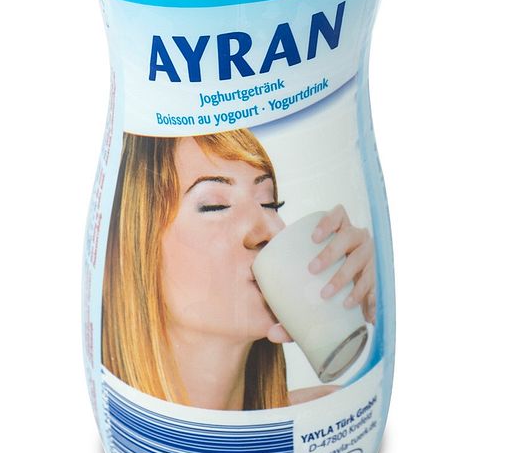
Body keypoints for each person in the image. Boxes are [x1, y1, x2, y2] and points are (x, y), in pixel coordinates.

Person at [102, 129, 375, 411]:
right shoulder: (131, 422)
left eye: (269, 203)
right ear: (135, 247)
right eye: (215, 206)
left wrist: (378, 306)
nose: (269, 232)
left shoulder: (323, 415)